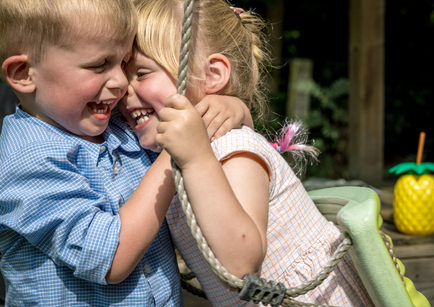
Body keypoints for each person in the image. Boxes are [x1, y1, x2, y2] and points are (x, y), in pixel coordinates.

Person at [120, 0, 375, 306]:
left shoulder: (233, 149)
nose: (123, 88)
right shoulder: (180, 155)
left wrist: (197, 157)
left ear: (214, 74)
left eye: (142, 73)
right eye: (123, 73)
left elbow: (242, 266)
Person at [0, 0, 252, 305]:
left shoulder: (117, 127)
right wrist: (176, 151)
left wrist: (233, 108)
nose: (121, 83)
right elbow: (112, 258)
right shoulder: (26, 161)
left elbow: (199, 127)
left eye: (123, 63)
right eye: (99, 65)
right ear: (24, 73)